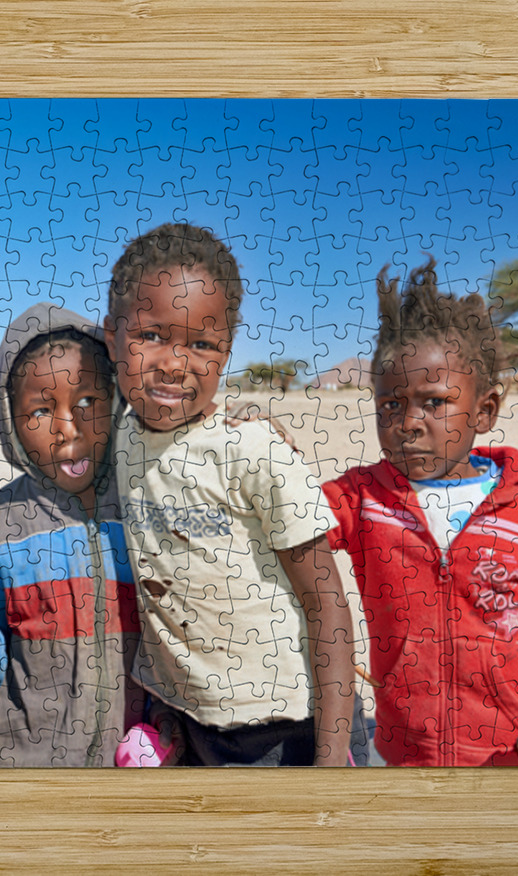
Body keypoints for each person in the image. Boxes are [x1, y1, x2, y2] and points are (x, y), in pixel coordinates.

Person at [103, 223, 354, 767]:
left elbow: (326, 602)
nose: (175, 362)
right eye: (151, 336)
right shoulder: (119, 433)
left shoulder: (255, 451)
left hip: (277, 724)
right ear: (111, 338)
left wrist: (333, 753)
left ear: (227, 352)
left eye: (201, 344)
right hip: (182, 714)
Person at [323, 258, 518, 766]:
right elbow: (287, 518)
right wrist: (263, 448)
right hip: (402, 755)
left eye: (434, 402)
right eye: (390, 405)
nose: (409, 423)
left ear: (484, 410)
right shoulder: (361, 499)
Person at [0, 304, 147, 766]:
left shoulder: (146, 501)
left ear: (117, 400)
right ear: (12, 423)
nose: (68, 429)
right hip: (22, 761)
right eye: (41, 411)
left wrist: (245, 442)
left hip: (139, 758)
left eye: (87, 402)